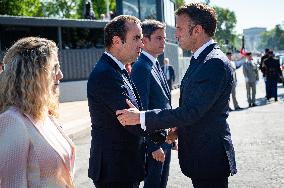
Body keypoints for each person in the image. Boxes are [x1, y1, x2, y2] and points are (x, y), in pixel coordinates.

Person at [116, 3, 237, 188]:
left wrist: (140, 117)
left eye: (179, 28)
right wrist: (177, 130)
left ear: (197, 30)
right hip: (202, 155)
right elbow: (197, 107)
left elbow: (191, 111)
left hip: (209, 158)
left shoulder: (213, 63)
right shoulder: (202, 59)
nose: (176, 34)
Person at [0, 37, 75, 187]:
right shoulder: (12, 121)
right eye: (54, 68)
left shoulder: (45, 114)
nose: (60, 75)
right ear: (33, 73)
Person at [87, 15, 146, 188]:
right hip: (115, 173)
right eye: (136, 38)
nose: (141, 44)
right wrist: (165, 134)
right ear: (117, 41)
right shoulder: (106, 74)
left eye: (141, 39)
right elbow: (131, 120)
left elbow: (136, 113)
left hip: (124, 168)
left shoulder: (118, 69)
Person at [131, 19, 172, 188]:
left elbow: (163, 102)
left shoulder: (154, 63)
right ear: (144, 41)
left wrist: (170, 132)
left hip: (165, 138)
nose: (164, 42)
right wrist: (152, 146)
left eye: (164, 38)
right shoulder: (141, 67)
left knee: (161, 184)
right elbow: (142, 110)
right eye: (158, 38)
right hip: (155, 143)